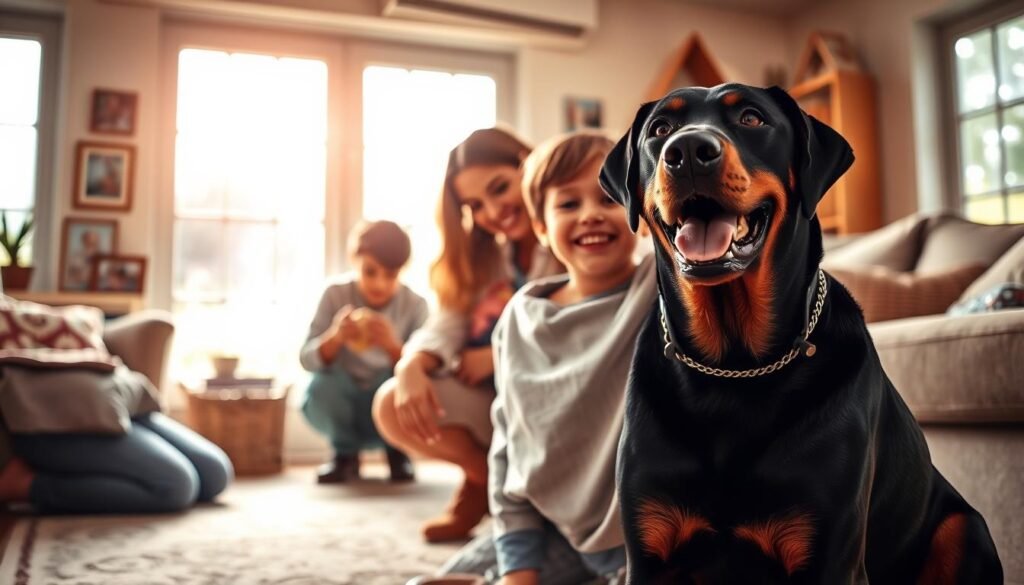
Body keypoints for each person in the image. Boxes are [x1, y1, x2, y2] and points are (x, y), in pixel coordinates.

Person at [436, 131, 655, 583]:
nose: (591, 214)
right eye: (568, 204)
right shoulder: (519, 318)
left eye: (608, 198)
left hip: (640, 549)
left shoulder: (662, 286)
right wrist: (519, 565)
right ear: (540, 227)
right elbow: (508, 448)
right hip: (549, 530)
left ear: (641, 209)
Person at [372, 127, 563, 542]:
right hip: (495, 401)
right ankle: (495, 489)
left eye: (499, 189)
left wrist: (497, 356)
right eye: (475, 204)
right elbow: (447, 321)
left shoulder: (572, 235)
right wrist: (411, 364)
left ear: (528, 169)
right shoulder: (486, 254)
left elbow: (580, 330)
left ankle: (517, 496)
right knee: (391, 403)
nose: (492, 211)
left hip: (557, 404)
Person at [300, 220, 429, 483]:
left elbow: (429, 370)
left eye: (390, 275)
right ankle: (345, 455)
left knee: (404, 383)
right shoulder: (335, 295)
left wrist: (395, 348)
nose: (379, 284)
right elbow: (306, 359)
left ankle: (397, 451)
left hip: (387, 401)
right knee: (323, 385)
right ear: (354, 260)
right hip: (344, 404)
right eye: (370, 272)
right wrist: (334, 339)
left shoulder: (416, 305)